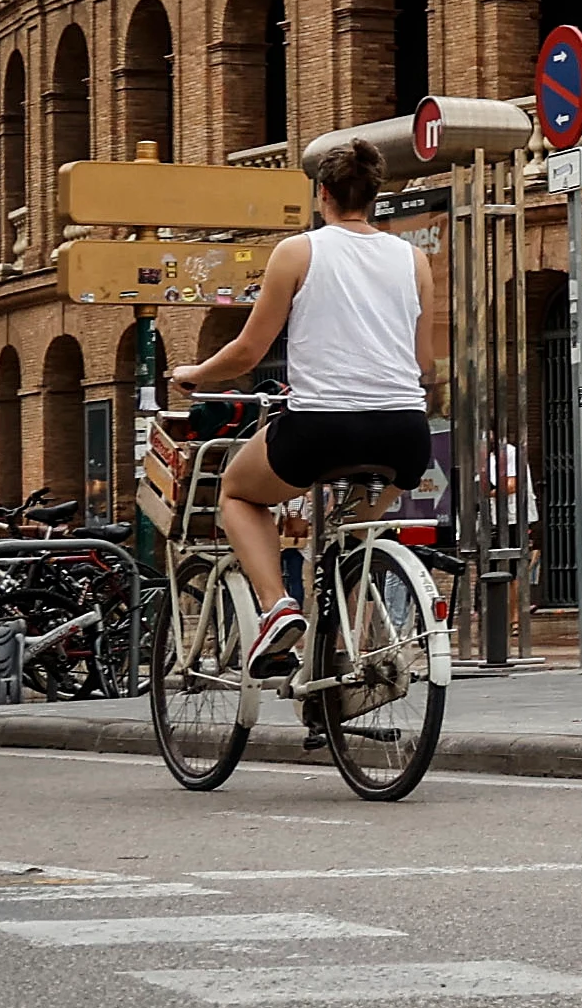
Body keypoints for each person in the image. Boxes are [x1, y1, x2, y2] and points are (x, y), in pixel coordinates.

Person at [172, 136, 444, 681]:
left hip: (322, 429)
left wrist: (192, 375)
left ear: (322, 193)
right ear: (374, 194)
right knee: (352, 545)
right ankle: (336, 667)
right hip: (404, 434)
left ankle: (277, 609)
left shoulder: (297, 252)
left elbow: (249, 350)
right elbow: (425, 365)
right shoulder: (414, 260)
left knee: (238, 491)